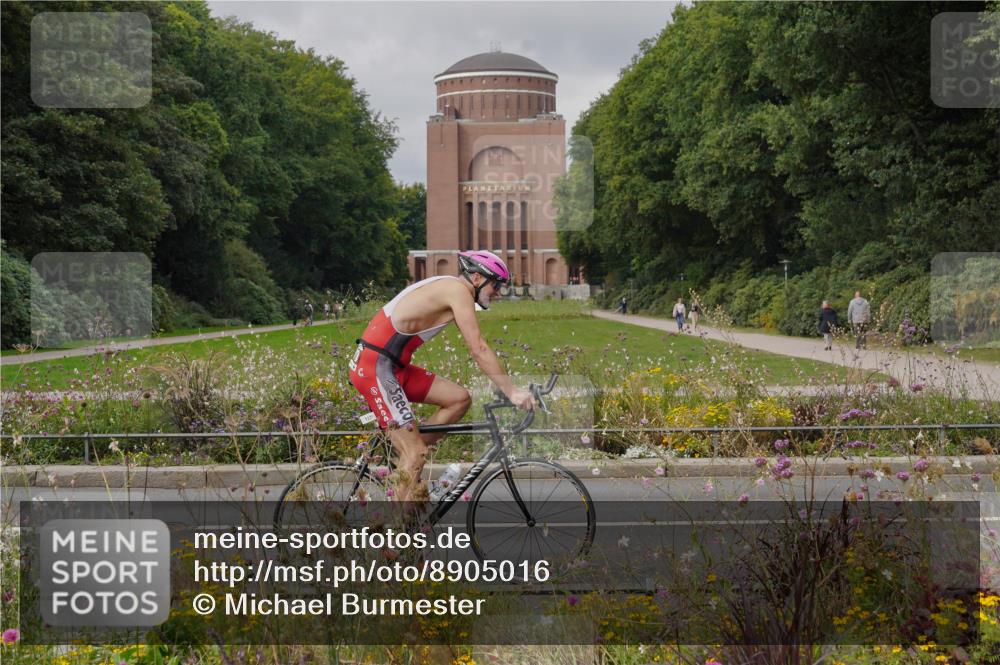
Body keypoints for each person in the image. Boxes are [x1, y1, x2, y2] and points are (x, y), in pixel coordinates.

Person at [348, 250, 535, 507]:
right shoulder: (457, 291)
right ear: (478, 277)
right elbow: (478, 347)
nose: (499, 293)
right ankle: (394, 537)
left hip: (393, 366)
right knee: (415, 453)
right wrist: (512, 391)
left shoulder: (452, 288)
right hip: (376, 368)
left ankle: (407, 456)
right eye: (497, 285)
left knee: (459, 399)